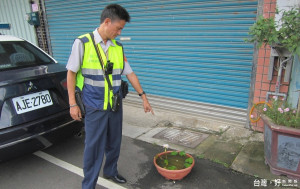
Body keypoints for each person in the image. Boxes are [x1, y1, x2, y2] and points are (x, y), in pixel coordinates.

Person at [66, 4, 154, 189]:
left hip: (115, 105)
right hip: (94, 105)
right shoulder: (83, 43)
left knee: (114, 142)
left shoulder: (117, 47)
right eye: (118, 28)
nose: (120, 32)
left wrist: (143, 96)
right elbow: (71, 73)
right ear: (107, 22)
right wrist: (72, 104)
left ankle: (110, 171)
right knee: (93, 147)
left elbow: (129, 73)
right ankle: (88, 184)